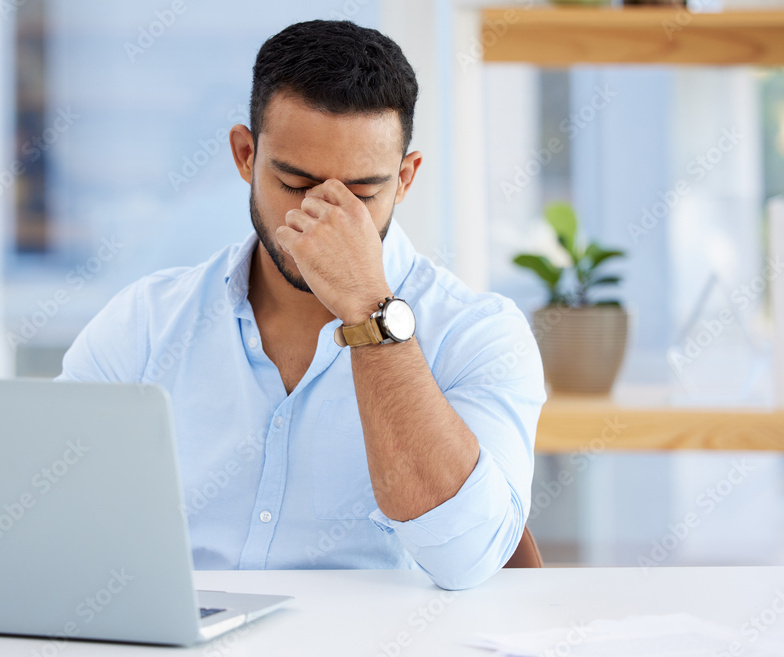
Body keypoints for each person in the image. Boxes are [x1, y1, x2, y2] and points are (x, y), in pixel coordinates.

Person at [56, 19, 545, 590]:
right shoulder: (146, 322)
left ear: (406, 179)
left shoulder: (479, 334)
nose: (325, 219)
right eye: (294, 183)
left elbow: (466, 559)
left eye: (362, 194)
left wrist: (370, 311)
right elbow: (48, 515)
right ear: (245, 155)